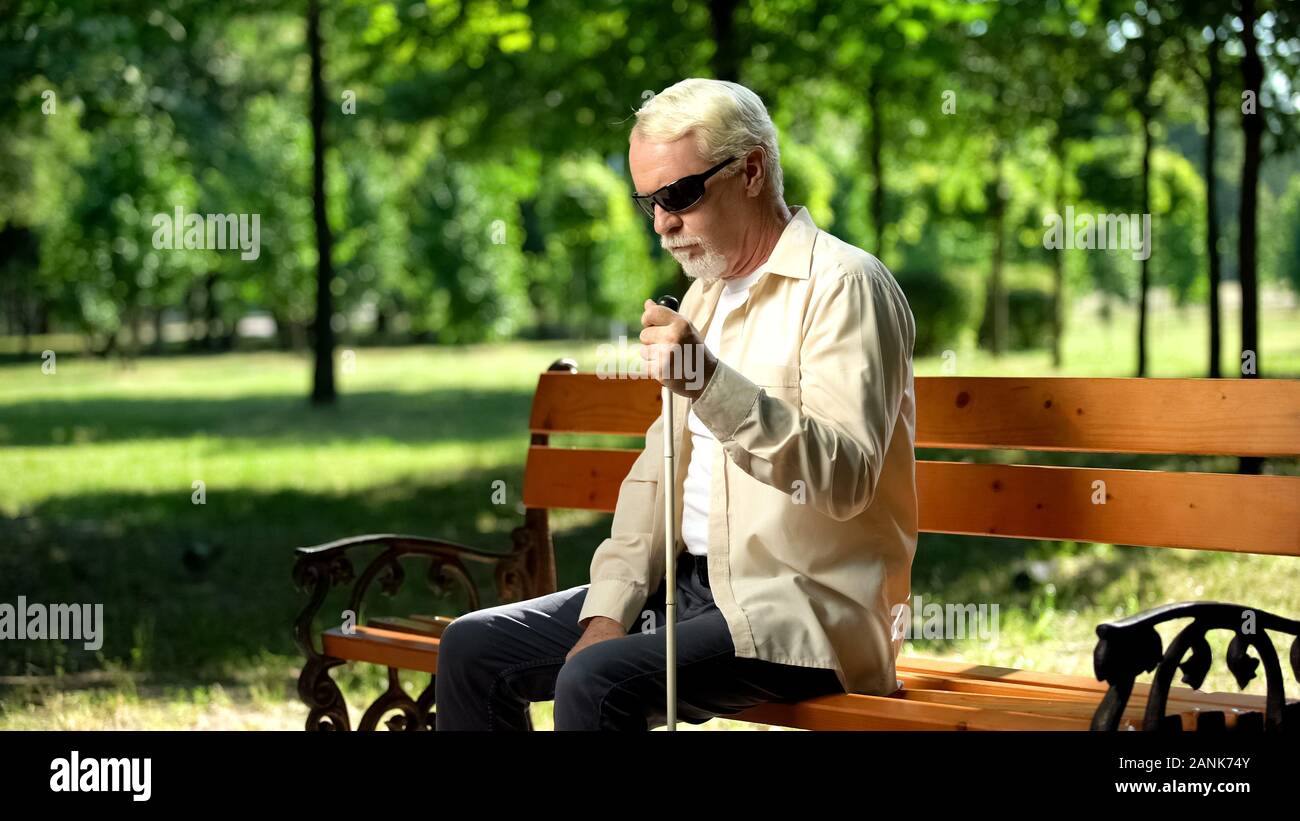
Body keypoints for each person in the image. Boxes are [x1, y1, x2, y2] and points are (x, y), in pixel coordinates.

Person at [435, 77, 918, 731]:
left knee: (594, 682)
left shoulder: (846, 287)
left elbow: (845, 478)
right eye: (648, 203)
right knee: (471, 649)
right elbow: (659, 472)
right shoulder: (704, 297)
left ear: (750, 170)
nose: (662, 222)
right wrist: (607, 609)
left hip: (806, 606)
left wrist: (711, 384)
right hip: (690, 592)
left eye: (679, 194)